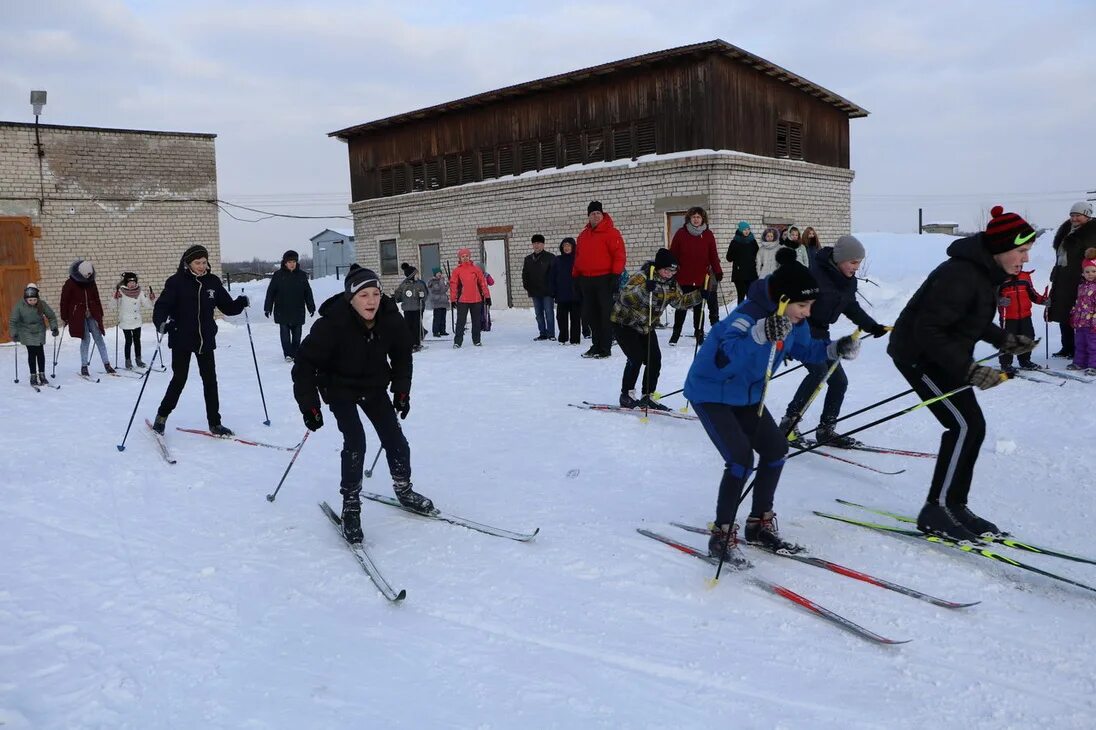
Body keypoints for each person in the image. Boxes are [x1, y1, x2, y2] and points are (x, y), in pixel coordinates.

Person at [684, 259, 860, 563]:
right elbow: (726, 357)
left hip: (748, 396)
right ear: (782, 299)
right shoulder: (746, 317)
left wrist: (834, 349)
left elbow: (805, 350)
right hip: (712, 392)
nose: (807, 312)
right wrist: (760, 335)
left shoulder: (795, 322)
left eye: (810, 305)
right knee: (740, 459)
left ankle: (759, 523)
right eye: (802, 305)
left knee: (777, 449)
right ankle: (721, 534)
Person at [888, 206, 1039, 541]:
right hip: (919, 355)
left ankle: (952, 505)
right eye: (1022, 250)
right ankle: (937, 509)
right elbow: (929, 330)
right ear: (1001, 248)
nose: (1025, 259)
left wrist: (1004, 340)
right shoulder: (960, 274)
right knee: (963, 425)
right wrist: (969, 370)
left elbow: (967, 319)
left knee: (971, 426)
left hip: (944, 355)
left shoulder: (984, 273)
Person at [291, 264, 431, 544]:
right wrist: (310, 406)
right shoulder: (332, 323)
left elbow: (402, 356)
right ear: (351, 298)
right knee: (356, 442)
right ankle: (351, 506)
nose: (371, 301)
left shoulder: (390, 318)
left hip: (373, 385)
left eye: (375, 294)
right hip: (338, 387)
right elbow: (304, 365)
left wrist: (402, 391)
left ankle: (404, 489)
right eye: (364, 295)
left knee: (396, 440)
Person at [780, 237, 889, 446]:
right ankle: (788, 423)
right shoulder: (814, 275)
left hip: (821, 334)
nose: (856, 267)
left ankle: (826, 429)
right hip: (801, 330)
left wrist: (871, 326)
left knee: (839, 381)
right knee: (819, 372)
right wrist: (786, 337)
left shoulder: (849, 281)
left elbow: (851, 307)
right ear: (840, 259)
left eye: (859, 263)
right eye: (853, 262)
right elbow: (790, 303)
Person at [151, 244, 249, 436]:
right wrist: (161, 323)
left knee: (210, 381)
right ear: (188, 263)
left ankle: (215, 423)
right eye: (198, 262)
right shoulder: (176, 282)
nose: (202, 266)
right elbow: (162, 306)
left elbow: (228, 307)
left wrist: (241, 302)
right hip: (181, 338)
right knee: (179, 379)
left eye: (204, 262)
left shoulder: (212, 282)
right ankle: (161, 416)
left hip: (205, 339)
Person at [612, 248, 703, 411]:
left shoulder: (671, 284)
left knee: (654, 359)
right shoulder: (642, 277)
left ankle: (648, 396)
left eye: (673, 271)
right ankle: (626, 395)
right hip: (624, 323)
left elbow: (679, 302)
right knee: (636, 358)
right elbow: (624, 297)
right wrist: (644, 289)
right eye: (667, 270)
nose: (669, 274)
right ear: (659, 267)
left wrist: (700, 295)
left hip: (646, 326)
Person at [574, 201, 626, 358]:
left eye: (598, 213)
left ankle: (605, 348)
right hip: (586, 280)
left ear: (602, 215)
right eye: (592, 214)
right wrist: (575, 276)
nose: (595, 216)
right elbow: (578, 258)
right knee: (590, 315)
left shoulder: (612, 233)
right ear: (588, 216)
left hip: (605, 279)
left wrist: (615, 275)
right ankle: (595, 345)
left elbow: (619, 255)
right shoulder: (583, 236)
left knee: (605, 316)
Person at [668, 206, 723, 346]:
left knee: (699, 307)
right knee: (682, 306)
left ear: (703, 218)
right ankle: (675, 334)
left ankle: (699, 334)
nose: (696, 219)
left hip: (701, 277)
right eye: (693, 217)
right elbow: (673, 253)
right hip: (684, 276)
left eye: (698, 217)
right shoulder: (681, 233)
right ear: (689, 218)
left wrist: (717, 270)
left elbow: (713, 255)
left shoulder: (708, 234)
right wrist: (670, 269)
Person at [1048, 202, 1096, 358]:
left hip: (1081, 279)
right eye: (1072, 215)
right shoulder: (1067, 231)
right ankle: (1067, 347)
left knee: (1083, 315)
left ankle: (1082, 349)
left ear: (1087, 216)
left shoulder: (1091, 233)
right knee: (1064, 313)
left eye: (1078, 215)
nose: (1074, 218)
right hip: (1063, 278)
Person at [60, 259, 116, 377]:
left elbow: (96, 298)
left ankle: (107, 364)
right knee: (86, 339)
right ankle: (84, 366)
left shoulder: (91, 282)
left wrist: (99, 313)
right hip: (78, 316)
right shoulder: (70, 283)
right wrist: (64, 317)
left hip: (92, 314)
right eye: (86, 275)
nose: (87, 277)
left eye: (89, 275)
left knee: (99, 338)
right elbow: (64, 301)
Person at [264, 250, 316, 362]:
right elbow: (271, 292)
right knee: (285, 335)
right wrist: (267, 307)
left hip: (298, 310)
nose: (292, 264)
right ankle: (288, 354)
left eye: (294, 261)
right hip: (282, 310)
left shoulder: (302, 275)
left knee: (297, 335)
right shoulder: (278, 275)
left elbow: (308, 292)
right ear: (285, 263)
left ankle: (296, 353)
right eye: (289, 262)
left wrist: (311, 306)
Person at [997, 267, 1048, 374]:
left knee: (1028, 337)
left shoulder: (1025, 277)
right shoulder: (1000, 278)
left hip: (1025, 315)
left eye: (1019, 265)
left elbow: (1032, 294)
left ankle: (1025, 360)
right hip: (1008, 317)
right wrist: (1000, 300)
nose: (1017, 268)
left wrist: (1042, 300)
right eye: (1014, 265)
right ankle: (1006, 364)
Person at [8, 283, 58, 387]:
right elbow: (13, 321)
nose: (32, 302)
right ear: (26, 299)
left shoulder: (42, 304)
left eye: (34, 300)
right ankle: (33, 376)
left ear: (37, 298)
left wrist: (54, 327)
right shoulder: (19, 306)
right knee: (32, 353)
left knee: (40, 352)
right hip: (26, 330)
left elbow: (51, 316)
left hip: (39, 329)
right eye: (30, 300)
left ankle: (42, 375)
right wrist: (14, 333)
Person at [449, 248, 490, 348]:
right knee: (460, 322)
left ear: (469, 257)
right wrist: (453, 299)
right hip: (462, 300)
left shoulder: (476, 269)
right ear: (460, 258)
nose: (465, 258)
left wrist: (487, 296)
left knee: (476, 321)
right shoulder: (457, 271)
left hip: (476, 299)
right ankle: (457, 341)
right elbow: (453, 285)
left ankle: (476, 340)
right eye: (463, 256)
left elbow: (483, 283)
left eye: (467, 256)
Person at [113, 272, 156, 369]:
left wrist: (151, 299)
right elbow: (113, 306)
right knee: (128, 341)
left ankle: (138, 360)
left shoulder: (139, 292)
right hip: (126, 321)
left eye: (133, 282)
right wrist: (115, 298)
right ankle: (128, 361)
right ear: (126, 283)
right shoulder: (121, 292)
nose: (132, 284)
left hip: (137, 321)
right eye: (129, 282)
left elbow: (147, 305)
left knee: (137, 341)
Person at [522, 234, 556, 341]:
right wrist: (527, 286)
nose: (536, 245)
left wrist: (553, 288)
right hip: (534, 291)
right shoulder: (528, 259)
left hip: (547, 291)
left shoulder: (550, 257)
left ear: (543, 244)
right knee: (538, 314)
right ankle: (542, 333)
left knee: (549, 313)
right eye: (534, 243)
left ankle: (551, 334)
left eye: (539, 243)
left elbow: (554, 274)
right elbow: (525, 274)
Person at [1068, 248, 1096, 374]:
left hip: (1092, 323)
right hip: (1081, 322)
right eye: (1087, 271)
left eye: (1094, 271)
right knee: (1080, 343)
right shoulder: (1081, 286)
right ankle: (1079, 362)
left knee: (1093, 345)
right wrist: (1073, 315)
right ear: (1083, 273)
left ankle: (1093, 366)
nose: (1090, 274)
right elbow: (1078, 303)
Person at [551, 237, 582, 345]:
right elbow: (553, 276)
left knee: (575, 318)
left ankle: (575, 339)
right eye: (564, 246)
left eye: (569, 245)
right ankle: (563, 338)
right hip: (561, 294)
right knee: (561, 318)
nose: (566, 248)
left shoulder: (578, 259)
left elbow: (581, 276)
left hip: (575, 294)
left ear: (573, 247)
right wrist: (553, 291)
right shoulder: (557, 260)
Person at [395, 262, 429, 352]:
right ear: (411, 275)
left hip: (417, 308)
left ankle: (417, 343)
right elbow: (398, 295)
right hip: (407, 309)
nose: (417, 276)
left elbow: (425, 295)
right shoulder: (404, 285)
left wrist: (422, 296)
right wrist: (395, 296)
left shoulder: (419, 284)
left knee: (416, 327)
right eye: (416, 274)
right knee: (408, 326)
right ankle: (409, 343)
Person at [726, 221, 758, 305]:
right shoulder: (735, 242)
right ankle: (739, 315)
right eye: (744, 230)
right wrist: (735, 251)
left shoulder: (753, 241)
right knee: (741, 296)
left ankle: (749, 315)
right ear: (740, 230)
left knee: (750, 296)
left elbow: (758, 255)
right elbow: (729, 258)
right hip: (739, 274)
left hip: (751, 273)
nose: (747, 231)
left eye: (748, 229)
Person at [426, 267, 450, 337]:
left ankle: (442, 330)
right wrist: (442, 281)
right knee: (437, 318)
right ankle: (435, 331)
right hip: (437, 302)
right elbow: (438, 289)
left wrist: (448, 284)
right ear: (435, 274)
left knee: (443, 317)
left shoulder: (441, 280)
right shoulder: (433, 281)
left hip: (443, 301)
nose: (440, 274)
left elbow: (444, 289)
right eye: (438, 273)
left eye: (440, 273)